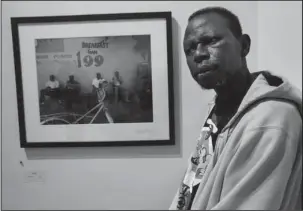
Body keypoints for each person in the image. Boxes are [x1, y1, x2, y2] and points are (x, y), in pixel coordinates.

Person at [169, 7, 302, 210]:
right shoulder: (218, 110)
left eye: (211, 41)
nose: (198, 54)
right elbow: (189, 188)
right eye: (189, 49)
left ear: (244, 46)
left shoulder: (270, 119)